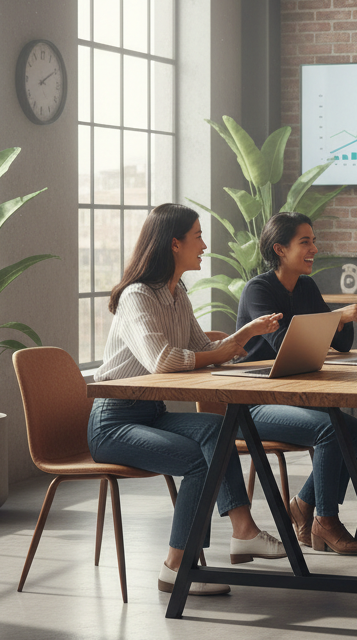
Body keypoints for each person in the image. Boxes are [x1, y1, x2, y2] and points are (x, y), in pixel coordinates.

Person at [89, 204, 287, 597]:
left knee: (219, 427)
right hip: (113, 423)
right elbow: (162, 361)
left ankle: (243, 530)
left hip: (151, 414)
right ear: (174, 243)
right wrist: (224, 348)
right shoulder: (137, 297)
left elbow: (199, 347)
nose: (204, 245)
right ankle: (175, 568)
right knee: (198, 461)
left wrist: (241, 336)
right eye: (198, 236)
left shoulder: (177, 294)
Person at [236, 212, 357, 555]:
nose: (314, 247)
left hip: (293, 396)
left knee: (354, 431)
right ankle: (325, 521)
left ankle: (302, 505)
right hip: (254, 403)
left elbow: (340, 345)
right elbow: (283, 344)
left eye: (314, 240)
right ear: (280, 249)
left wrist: (343, 320)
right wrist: (334, 317)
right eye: (305, 242)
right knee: (331, 429)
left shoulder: (307, 287)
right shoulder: (259, 290)